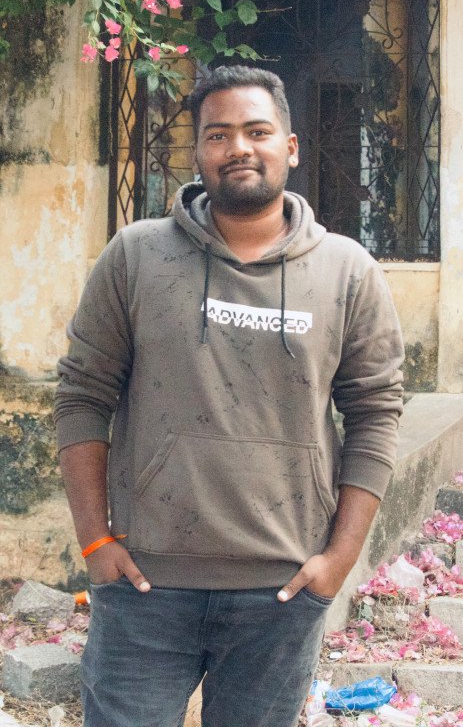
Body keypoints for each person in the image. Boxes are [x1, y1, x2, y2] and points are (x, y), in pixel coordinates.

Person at [54, 65, 404, 727]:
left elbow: (375, 416)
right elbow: (81, 396)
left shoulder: (347, 272)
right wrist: (95, 543)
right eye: (217, 135)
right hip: (145, 587)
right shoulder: (135, 257)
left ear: (290, 148)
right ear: (197, 153)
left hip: (281, 591)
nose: (238, 147)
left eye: (257, 131)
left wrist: (337, 562)